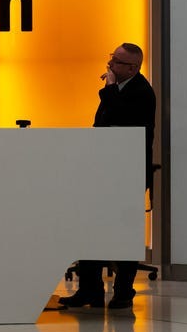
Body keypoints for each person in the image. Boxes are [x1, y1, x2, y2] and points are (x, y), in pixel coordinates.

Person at [59, 43, 156, 310]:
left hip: (128, 173)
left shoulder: (141, 92)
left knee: (124, 232)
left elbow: (123, 123)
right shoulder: (116, 91)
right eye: (111, 59)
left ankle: (124, 291)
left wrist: (110, 87)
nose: (110, 64)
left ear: (133, 68)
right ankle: (89, 289)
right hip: (103, 171)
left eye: (116, 61)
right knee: (89, 228)